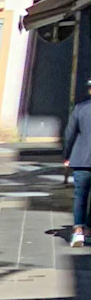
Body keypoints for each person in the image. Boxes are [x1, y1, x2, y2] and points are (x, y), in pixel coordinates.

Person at [65, 84, 91, 249]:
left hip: (81, 160)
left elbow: (70, 134)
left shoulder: (80, 109)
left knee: (80, 197)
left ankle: (78, 231)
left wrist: (67, 156)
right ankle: (89, 230)